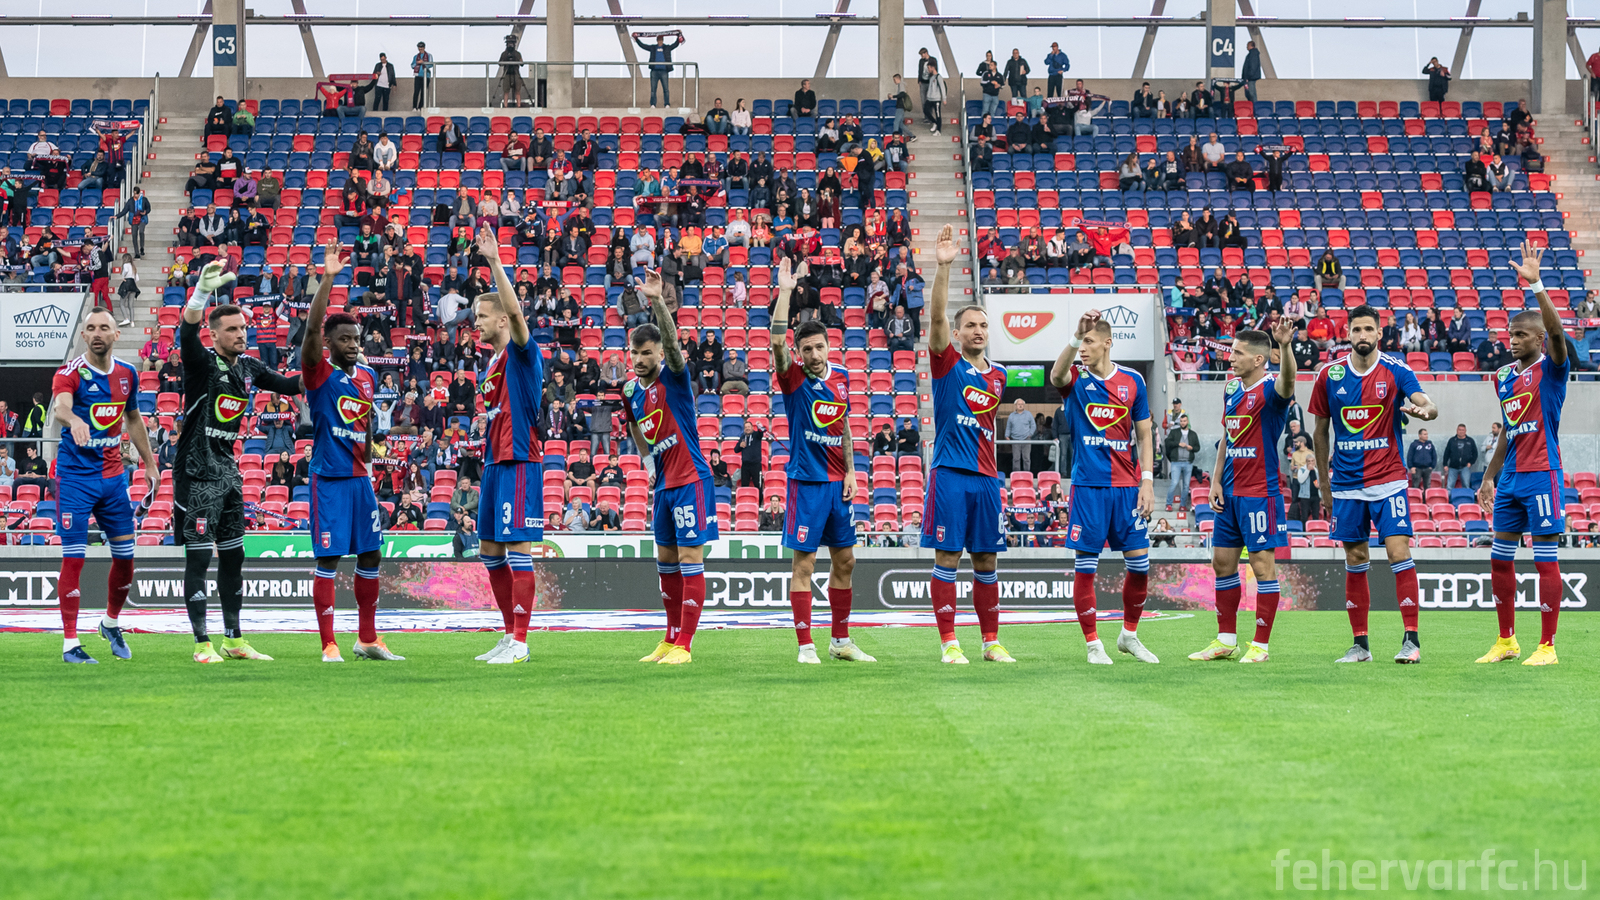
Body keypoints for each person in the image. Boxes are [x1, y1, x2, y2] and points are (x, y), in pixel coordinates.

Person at [175, 261, 304, 663]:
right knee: (199, 557)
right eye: (232, 329)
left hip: (228, 472)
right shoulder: (201, 363)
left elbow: (289, 385)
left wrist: (326, 366)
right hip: (197, 471)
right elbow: (186, 333)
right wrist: (199, 294)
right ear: (214, 335)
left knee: (234, 557)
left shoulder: (248, 367)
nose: (241, 334)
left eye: (243, 328)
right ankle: (201, 644)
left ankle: (234, 639)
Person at [1310, 304, 1438, 664]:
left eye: (1369, 329)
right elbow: (1319, 432)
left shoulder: (1396, 369)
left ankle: (1411, 641)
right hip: (1346, 484)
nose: (1362, 335)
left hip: (1388, 479)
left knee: (1398, 552)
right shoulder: (1329, 375)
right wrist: (1325, 485)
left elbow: (1427, 403)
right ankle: (1360, 646)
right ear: (1347, 334)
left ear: (1380, 333)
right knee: (1355, 557)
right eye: (1357, 330)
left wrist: (1426, 411)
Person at [765, 258, 875, 664]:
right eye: (806, 349)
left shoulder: (842, 377)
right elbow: (777, 343)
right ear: (799, 352)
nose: (813, 354)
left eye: (819, 347)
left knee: (846, 560)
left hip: (837, 484)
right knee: (805, 565)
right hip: (807, 483)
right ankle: (805, 646)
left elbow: (843, 424)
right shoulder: (793, 377)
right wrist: (785, 292)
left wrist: (851, 471)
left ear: (830, 347)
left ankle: (840, 641)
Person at [298, 242, 399, 662]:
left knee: (371, 553)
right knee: (330, 558)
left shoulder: (370, 376)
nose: (354, 344)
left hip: (359, 480)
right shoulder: (318, 372)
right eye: (345, 339)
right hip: (329, 479)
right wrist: (327, 279)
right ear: (329, 342)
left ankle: (367, 639)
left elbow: (367, 421)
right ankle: (328, 643)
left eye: (356, 338)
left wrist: (371, 460)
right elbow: (310, 331)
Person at [918, 224, 1013, 665]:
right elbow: (936, 318)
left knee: (987, 562)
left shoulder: (1000, 375)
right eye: (970, 325)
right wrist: (944, 267)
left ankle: (991, 642)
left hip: (987, 479)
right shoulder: (947, 364)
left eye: (983, 325)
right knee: (948, 557)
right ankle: (949, 643)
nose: (978, 330)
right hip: (951, 474)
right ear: (956, 334)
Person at [1475, 244, 1568, 666]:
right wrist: (1488, 476)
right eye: (1510, 335)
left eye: (1521, 335)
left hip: (1542, 472)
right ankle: (1506, 641)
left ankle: (1547, 646)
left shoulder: (1552, 368)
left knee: (1544, 559)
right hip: (1511, 477)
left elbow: (1559, 335)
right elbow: (1508, 431)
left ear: (1538, 339)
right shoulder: (1503, 377)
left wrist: (1537, 286)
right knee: (1500, 560)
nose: (1512, 341)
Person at [1050, 308, 1159, 667]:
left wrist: (1147, 481)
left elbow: (1144, 434)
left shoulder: (1133, 381)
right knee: (1086, 568)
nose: (1083, 348)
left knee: (1140, 566)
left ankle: (1129, 635)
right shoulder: (1075, 379)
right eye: (1080, 342)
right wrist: (1074, 334)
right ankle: (1093, 644)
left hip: (1127, 488)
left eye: (1089, 341)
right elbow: (1056, 375)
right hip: (1089, 487)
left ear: (1108, 343)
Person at [48, 309, 158, 663]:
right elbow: (60, 408)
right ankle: (70, 644)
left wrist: (150, 464)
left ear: (116, 334)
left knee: (126, 559)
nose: (97, 333)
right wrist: (74, 419)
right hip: (75, 480)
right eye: (91, 328)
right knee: (74, 558)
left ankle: (110, 623)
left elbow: (133, 418)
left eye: (104, 327)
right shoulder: (69, 373)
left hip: (113, 480)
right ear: (83, 335)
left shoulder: (127, 374)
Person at [1187, 320, 1298, 663]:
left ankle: (1261, 646)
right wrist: (1215, 480)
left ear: (1258, 359)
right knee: (1222, 563)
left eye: (1237, 352)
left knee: (1262, 568)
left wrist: (1286, 347)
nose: (1230, 357)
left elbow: (1288, 381)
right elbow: (1227, 437)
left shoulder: (1272, 390)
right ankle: (1226, 640)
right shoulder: (1231, 388)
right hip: (1230, 491)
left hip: (1259, 493)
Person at [624, 269, 718, 666]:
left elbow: (676, 345)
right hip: (663, 485)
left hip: (691, 479)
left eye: (648, 353)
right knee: (665, 563)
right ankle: (669, 637)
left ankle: (686, 645)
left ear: (660, 354)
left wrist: (658, 300)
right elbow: (633, 424)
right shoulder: (630, 390)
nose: (640, 359)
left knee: (689, 560)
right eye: (635, 353)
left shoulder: (675, 378)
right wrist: (648, 462)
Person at [467, 226, 545, 665]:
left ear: (500, 320)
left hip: (519, 459)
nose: (476, 323)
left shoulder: (521, 352)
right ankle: (508, 633)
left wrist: (495, 261)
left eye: (482, 316)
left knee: (517, 550)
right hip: (495, 460)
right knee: (490, 551)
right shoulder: (492, 362)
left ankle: (521, 641)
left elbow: (516, 314)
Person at [636, 32, 683, 107]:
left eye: (661, 40)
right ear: (657, 40)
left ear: (663, 40)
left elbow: (675, 45)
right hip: (654, 71)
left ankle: (667, 104)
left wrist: (678, 36)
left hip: (664, 71)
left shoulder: (667, 48)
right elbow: (643, 46)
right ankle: (653, 104)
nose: (660, 41)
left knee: (666, 89)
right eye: (659, 40)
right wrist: (637, 39)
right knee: (653, 89)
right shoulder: (653, 48)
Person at [1163, 414, 1198, 510]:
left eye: (1184, 421)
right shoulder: (1174, 432)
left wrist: (1192, 448)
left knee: (1186, 485)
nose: (1183, 423)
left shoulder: (1193, 434)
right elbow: (1167, 442)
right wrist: (1178, 444)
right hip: (1176, 462)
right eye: (1181, 421)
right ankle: (1168, 504)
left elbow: (1197, 447)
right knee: (1174, 483)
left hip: (1188, 462)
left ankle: (1182, 505)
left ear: (1187, 422)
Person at [1441, 424, 1477, 490]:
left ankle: (1466, 496)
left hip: (1465, 467)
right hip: (1453, 467)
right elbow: (1446, 453)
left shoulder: (1470, 441)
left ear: (1465, 431)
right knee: (1449, 486)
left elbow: (1475, 453)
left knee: (1466, 485)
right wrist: (1445, 464)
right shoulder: (1452, 440)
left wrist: (1471, 462)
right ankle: (1449, 496)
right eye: (1459, 430)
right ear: (1457, 430)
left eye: (1462, 430)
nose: (1461, 431)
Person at [496, 35, 528, 107]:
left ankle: (518, 105)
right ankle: (506, 106)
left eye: (511, 43)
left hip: (516, 73)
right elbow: (500, 63)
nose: (510, 45)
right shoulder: (504, 54)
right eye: (509, 43)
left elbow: (522, 63)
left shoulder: (517, 54)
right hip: (507, 73)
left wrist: (516, 60)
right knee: (506, 91)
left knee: (517, 91)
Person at [922, 59, 947, 134]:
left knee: (938, 114)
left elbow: (942, 88)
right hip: (929, 99)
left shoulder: (938, 77)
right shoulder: (931, 77)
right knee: (925, 110)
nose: (928, 69)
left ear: (933, 67)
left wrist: (944, 98)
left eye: (929, 68)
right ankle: (935, 122)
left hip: (936, 99)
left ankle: (938, 130)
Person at [411, 41, 434, 109]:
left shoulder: (429, 55)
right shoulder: (415, 56)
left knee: (423, 93)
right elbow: (412, 65)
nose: (420, 48)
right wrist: (417, 63)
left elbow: (431, 64)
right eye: (419, 47)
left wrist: (423, 62)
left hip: (426, 76)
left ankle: (420, 107)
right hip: (418, 76)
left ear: (424, 47)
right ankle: (414, 107)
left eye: (421, 47)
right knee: (416, 92)